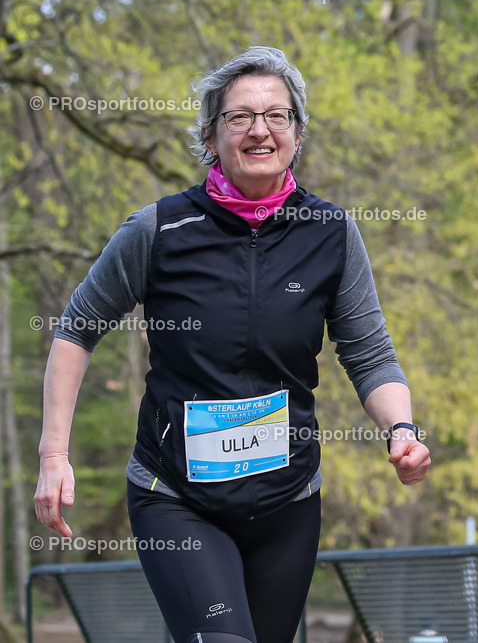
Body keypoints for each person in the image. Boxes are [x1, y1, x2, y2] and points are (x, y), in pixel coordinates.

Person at [33, 46, 431, 643]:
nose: (259, 129)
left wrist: (402, 430)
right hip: (177, 495)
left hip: (287, 499)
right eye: (239, 117)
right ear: (211, 137)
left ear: (297, 133)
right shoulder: (159, 231)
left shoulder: (332, 234)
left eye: (277, 115)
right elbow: (76, 329)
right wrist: (53, 457)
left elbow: (370, 354)